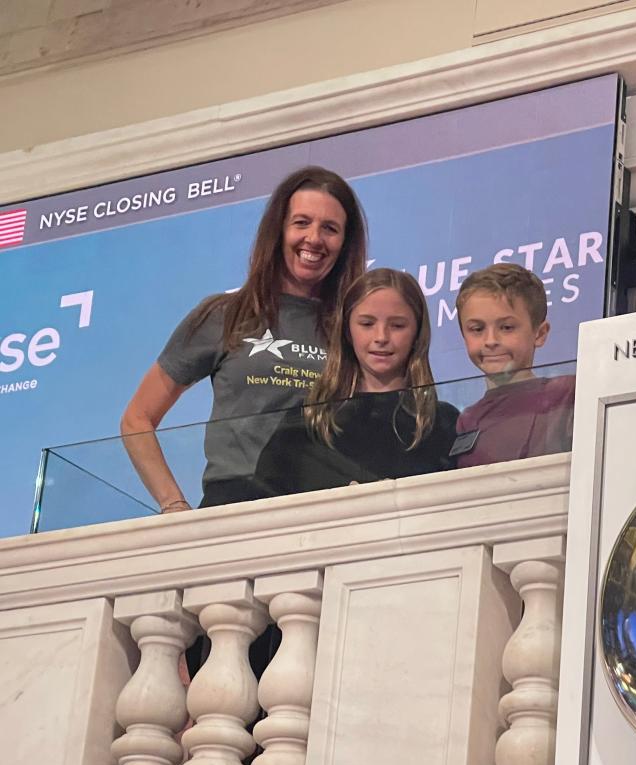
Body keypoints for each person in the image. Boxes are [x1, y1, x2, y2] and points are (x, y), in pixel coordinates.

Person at [120, 166, 368, 511]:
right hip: (234, 504)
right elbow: (137, 418)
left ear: (345, 243)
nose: (314, 238)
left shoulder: (356, 328)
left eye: (330, 228)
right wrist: (173, 504)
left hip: (323, 509)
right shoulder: (225, 314)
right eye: (301, 223)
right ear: (278, 230)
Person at [254, 268, 458, 492]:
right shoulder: (307, 421)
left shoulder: (442, 423)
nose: (381, 337)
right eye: (367, 324)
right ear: (348, 331)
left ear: (418, 332)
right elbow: (265, 504)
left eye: (397, 325)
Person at [453, 263, 575, 468]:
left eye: (507, 327)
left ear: (540, 333)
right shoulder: (467, 419)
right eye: (477, 329)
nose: (490, 340)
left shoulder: (566, 394)